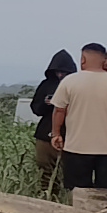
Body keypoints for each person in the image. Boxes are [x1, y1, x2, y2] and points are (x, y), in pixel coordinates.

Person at [50, 43, 107, 191]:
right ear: (104, 59)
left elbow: (59, 111)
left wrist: (56, 134)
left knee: (77, 192)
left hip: (76, 147)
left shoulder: (69, 81)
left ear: (83, 59)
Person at [30, 50, 77, 193]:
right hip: (46, 132)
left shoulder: (77, 85)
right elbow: (36, 108)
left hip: (70, 134)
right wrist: (47, 104)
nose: (61, 75)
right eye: (58, 72)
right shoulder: (46, 85)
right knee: (45, 170)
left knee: (69, 171)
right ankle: (47, 195)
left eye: (64, 72)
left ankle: (67, 198)